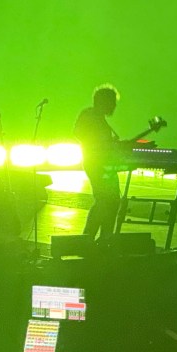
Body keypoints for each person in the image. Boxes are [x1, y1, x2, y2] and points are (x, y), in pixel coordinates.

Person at [74, 84, 124, 240]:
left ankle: (103, 237)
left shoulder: (99, 118)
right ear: (104, 102)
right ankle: (88, 237)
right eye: (112, 102)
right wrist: (102, 143)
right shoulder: (89, 115)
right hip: (96, 164)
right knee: (105, 200)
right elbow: (79, 133)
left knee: (112, 201)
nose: (114, 106)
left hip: (104, 165)